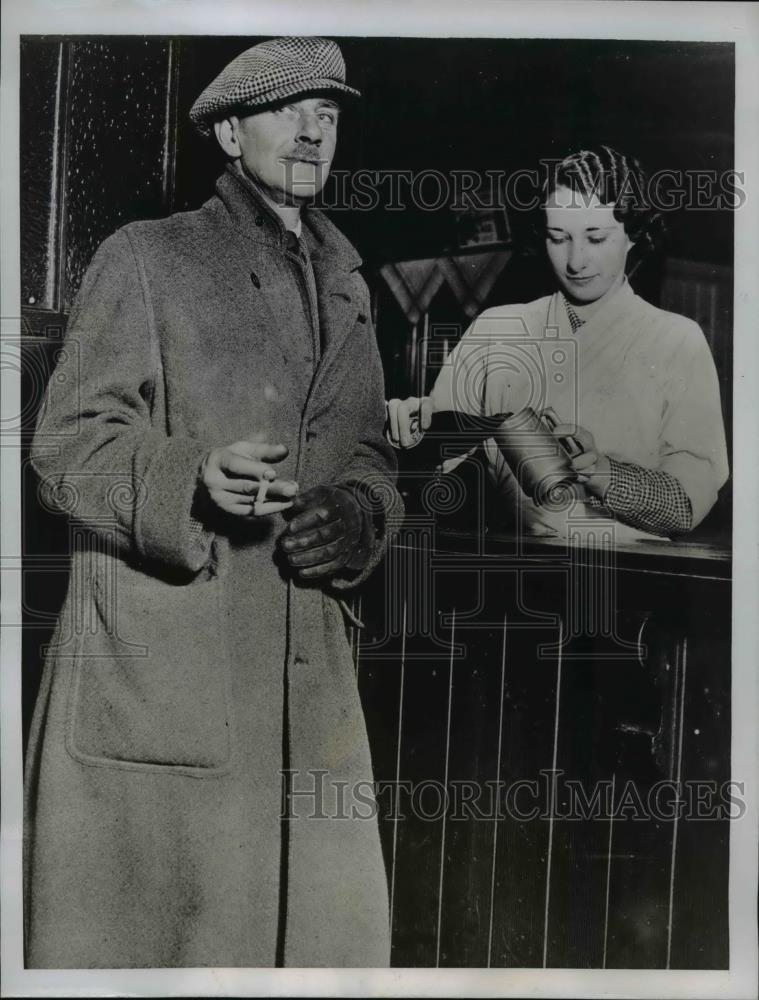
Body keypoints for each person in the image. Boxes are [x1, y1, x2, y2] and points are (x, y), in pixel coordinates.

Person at [25, 37, 401, 968]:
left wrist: (358, 516)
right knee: (164, 945)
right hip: (171, 671)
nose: (315, 130)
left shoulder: (349, 283)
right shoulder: (148, 258)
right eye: (289, 110)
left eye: (331, 112)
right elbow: (65, 446)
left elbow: (369, 458)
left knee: (312, 949)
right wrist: (188, 476)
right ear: (231, 131)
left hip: (304, 677)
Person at [386, 146, 729, 539]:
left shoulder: (677, 341)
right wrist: (412, 438)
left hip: (632, 578)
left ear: (633, 235)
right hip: (513, 572)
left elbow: (685, 506)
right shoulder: (496, 329)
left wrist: (601, 471)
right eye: (558, 237)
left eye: (596, 238)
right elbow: (443, 477)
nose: (575, 261)